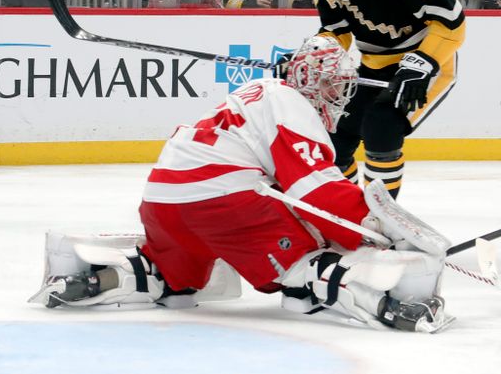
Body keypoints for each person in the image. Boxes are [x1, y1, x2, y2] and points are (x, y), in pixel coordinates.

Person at [32, 35, 453, 334]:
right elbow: (316, 192)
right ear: (315, 83)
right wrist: (377, 233)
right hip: (224, 205)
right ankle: (391, 305)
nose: (340, 95)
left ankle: (100, 279)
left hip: (162, 202)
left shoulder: (254, 91)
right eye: (335, 85)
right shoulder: (292, 105)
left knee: (172, 279)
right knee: (307, 265)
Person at [309, 0, 464, 199]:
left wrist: (423, 63)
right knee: (332, 137)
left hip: (427, 63)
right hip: (373, 69)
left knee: (381, 127)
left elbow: (452, 21)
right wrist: (313, 54)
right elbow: (336, 32)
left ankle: (383, 218)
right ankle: (349, 211)